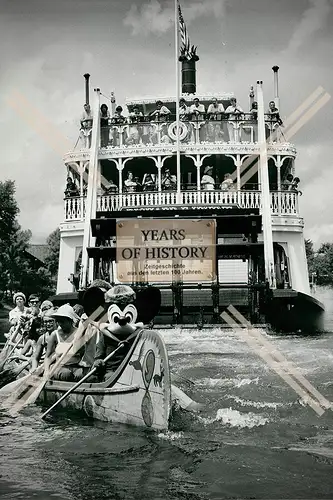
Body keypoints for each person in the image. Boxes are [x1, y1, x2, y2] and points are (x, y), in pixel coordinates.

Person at [44, 304, 83, 381]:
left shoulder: (79, 333)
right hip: (59, 367)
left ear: (70, 320)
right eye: (58, 321)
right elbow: (47, 356)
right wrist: (46, 370)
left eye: (63, 321)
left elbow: (84, 354)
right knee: (66, 374)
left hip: (76, 366)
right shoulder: (55, 334)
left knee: (81, 375)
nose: (60, 324)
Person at [30, 309, 57, 373]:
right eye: (45, 322)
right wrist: (34, 368)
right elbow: (35, 358)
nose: (48, 324)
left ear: (56, 321)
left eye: (51, 321)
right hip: (47, 366)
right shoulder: (42, 338)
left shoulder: (61, 335)